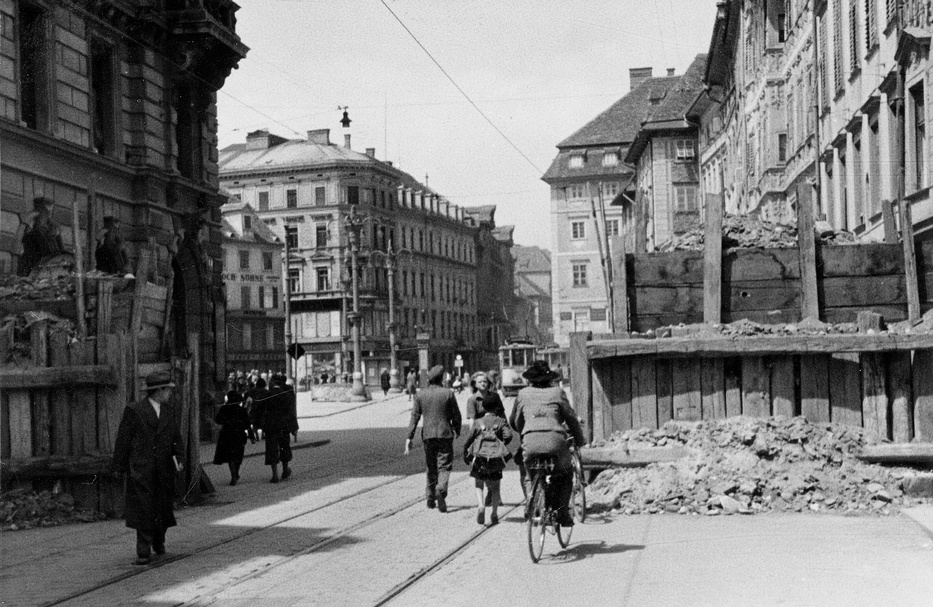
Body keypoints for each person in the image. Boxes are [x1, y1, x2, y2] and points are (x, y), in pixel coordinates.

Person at [111, 371, 184, 565]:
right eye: (167, 390)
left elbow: (175, 438)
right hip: (142, 470)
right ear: (158, 391)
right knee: (144, 510)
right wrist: (118, 467)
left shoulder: (168, 411)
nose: (169, 393)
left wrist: (180, 457)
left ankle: (158, 541)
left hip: (164, 470)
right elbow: (123, 440)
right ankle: (143, 550)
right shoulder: (135, 410)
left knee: (163, 508)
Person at [510, 360, 585, 527]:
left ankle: (534, 502)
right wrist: (579, 440)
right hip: (555, 441)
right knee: (565, 473)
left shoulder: (522, 394)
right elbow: (571, 419)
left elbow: (515, 421)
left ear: (530, 379)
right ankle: (562, 512)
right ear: (549, 378)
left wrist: (526, 431)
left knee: (530, 474)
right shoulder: (557, 392)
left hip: (530, 442)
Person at [404, 365, 462, 513]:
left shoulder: (420, 395)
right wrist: (457, 429)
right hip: (444, 435)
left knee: (431, 467)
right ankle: (440, 490)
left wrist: (409, 438)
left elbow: (414, 417)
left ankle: (430, 498)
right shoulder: (448, 393)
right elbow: (456, 415)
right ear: (441, 378)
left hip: (428, 436)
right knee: (444, 466)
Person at [463, 396, 512, 525]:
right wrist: (501, 442)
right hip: (495, 459)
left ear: (483, 408)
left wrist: (465, 450)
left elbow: (469, 438)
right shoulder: (501, 421)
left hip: (480, 458)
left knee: (479, 483)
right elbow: (509, 436)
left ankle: (481, 505)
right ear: (497, 408)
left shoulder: (478, 422)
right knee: (496, 487)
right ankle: (494, 513)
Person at [261, 373, 298, 483]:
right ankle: (285, 469)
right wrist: (294, 427)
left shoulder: (268, 395)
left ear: (273, 382)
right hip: (283, 425)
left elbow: (263, 411)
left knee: (272, 449)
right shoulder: (286, 395)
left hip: (271, 426)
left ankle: (275, 475)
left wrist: (262, 426)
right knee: (284, 447)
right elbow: (291, 412)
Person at [213, 390, 256, 486]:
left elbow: (218, 420)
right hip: (239, 435)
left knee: (230, 457)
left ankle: (233, 474)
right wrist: (252, 437)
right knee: (238, 456)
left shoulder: (224, 408)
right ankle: (235, 473)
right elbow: (248, 424)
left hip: (226, 435)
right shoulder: (241, 410)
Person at [18, 196, 65, 276]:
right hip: (32, 268)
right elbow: (20, 246)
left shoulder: (54, 229)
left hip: (50, 269)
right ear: (39, 210)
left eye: (50, 211)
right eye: (46, 211)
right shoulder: (30, 225)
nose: (49, 215)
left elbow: (61, 251)